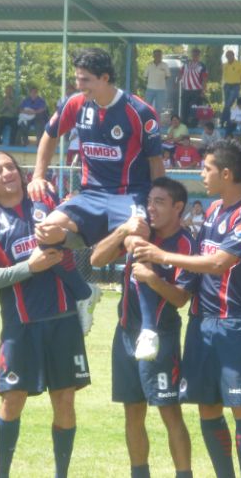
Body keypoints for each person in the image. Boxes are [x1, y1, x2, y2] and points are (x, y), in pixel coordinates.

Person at [134, 140, 241, 478]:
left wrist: (161, 256)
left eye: (206, 168)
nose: (201, 174)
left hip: (235, 324)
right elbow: (196, 267)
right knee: (207, 408)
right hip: (201, 323)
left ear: (226, 172)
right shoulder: (212, 211)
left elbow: (220, 263)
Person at [28, 47, 166, 361]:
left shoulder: (139, 112)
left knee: (137, 243)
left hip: (130, 194)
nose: (80, 86)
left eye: (86, 80)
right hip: (89, 195)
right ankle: (84, 291)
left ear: (105, 78)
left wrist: (158, 203)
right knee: (45, 231)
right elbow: (49, 135)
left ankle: (148, 328)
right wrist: (38, 175)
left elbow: (156, 163)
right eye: (77, 78)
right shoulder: (74, 104)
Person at [0, 151, 98, 478]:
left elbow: (82, 239)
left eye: (10, 167)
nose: (7, 173)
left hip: (63, 321)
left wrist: (64, 237)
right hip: (20, 327)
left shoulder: (47, 200)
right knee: (12, 400)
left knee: (65, 400)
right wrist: (29, 267)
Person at [91, 177, 196, 478]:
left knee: (169, 411)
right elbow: (97, 259)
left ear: (178, 207)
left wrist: (153, 279)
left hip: (161, 337)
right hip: (125, 333)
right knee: (133, 411)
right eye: (149, 201)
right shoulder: (140, 232)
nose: (151, 208)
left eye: (159, 202)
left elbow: (180, 299)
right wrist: (124, 230)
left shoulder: (185, 243)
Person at [178, 48, 208, 128]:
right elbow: (180, 74)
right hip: (186, 90)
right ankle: (184, 124)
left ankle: (193, 124)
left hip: (196, 91)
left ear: (199, 55)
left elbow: (205, 79)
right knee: (184, 108)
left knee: (195, 108)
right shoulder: (186, 64)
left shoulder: (202, 65)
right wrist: (177, 80)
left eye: (197, 55)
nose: (195, 56)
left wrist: (203, 91)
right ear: (191, 55)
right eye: (194, 54)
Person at [220, 49, 241, 128]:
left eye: (229, 55)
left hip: (235, 85)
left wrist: (239, 85)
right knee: (227, 104)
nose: (228, 57)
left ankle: (223, 121)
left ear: (233, 55)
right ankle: (226, 121)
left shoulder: (238, 64)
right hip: (227, 85)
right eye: (227, 56)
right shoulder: (225, 65)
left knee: (228, 104)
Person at [143, 49, 171, 113]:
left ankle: (157, 122)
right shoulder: (149, 65)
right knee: (146, 107)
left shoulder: (165, 65)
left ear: (161, 56)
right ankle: (147, 121)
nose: (158, 56)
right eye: (156, 55)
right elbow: (145, 76)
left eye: (159, 55)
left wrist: (160, 81)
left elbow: (167, 76)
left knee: (160, 109)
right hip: (150, 89)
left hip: (161, 90)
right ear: (153, 56)